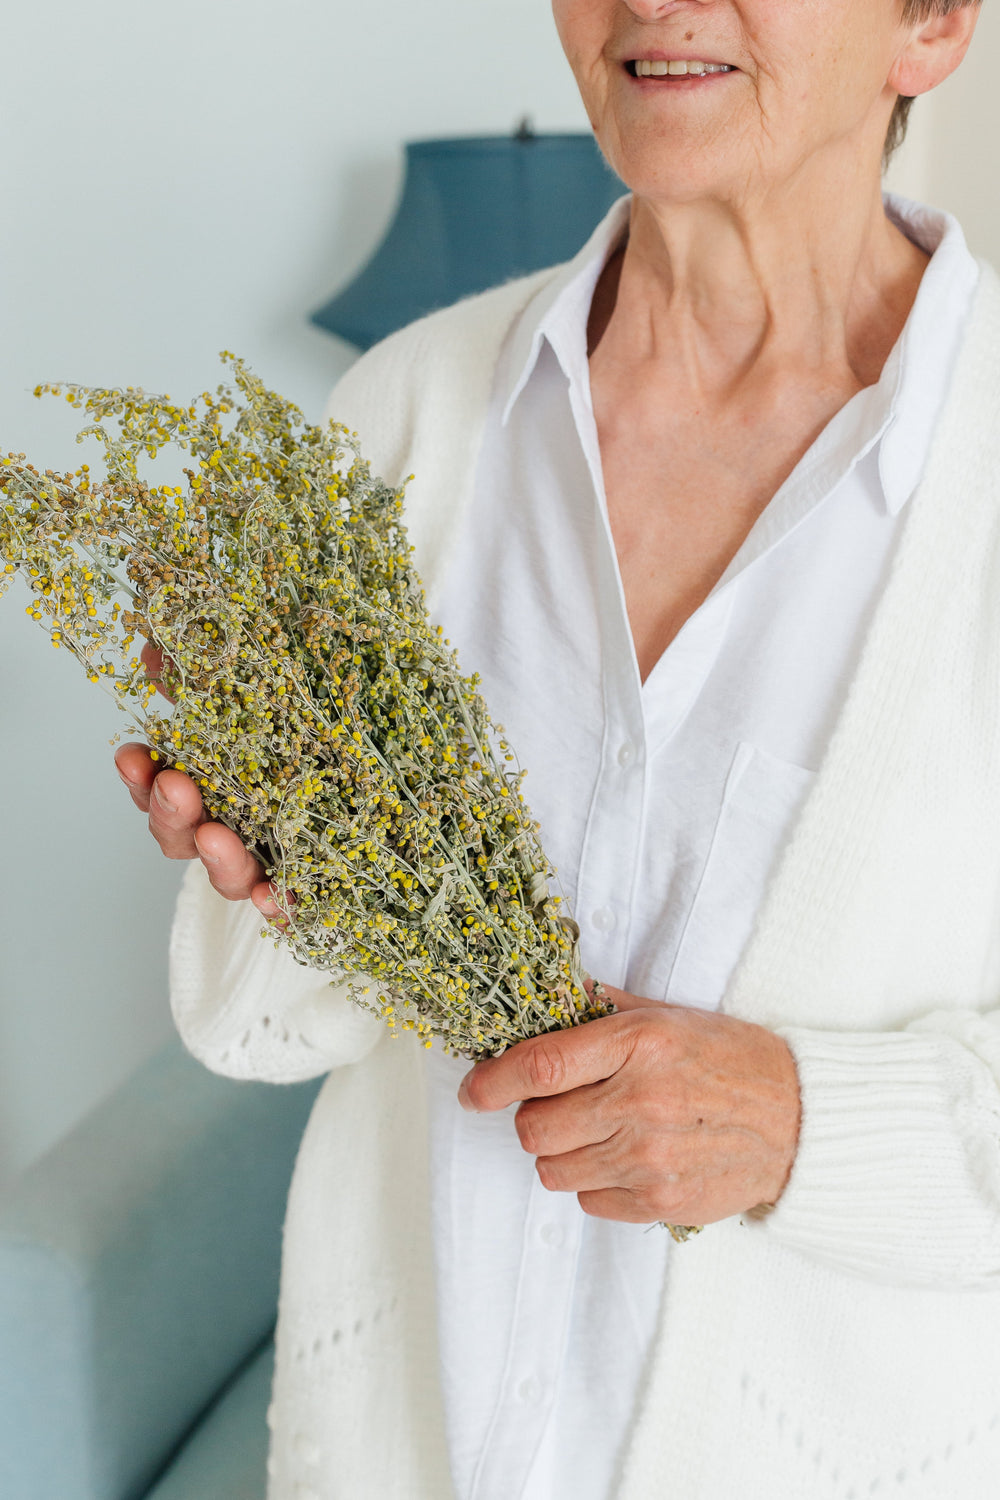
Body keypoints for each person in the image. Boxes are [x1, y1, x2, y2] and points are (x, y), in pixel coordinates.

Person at [115, 2, 1000, 1496]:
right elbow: (255, 1027)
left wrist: (796, 1126)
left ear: (929, 25)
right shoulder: (409, 409)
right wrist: (281, 874)